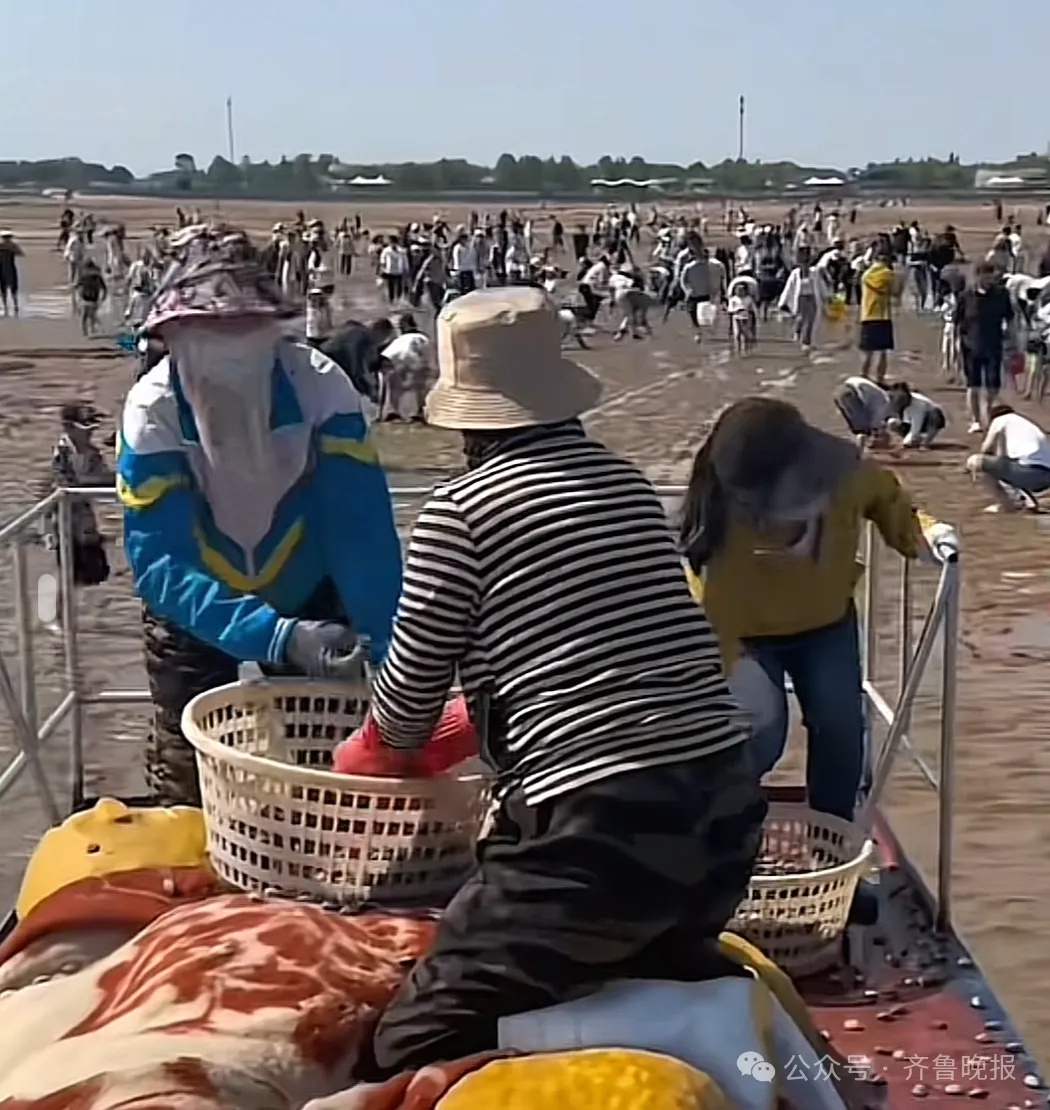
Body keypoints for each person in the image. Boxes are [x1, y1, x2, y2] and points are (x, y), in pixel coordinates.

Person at [339, 286, 765, 1078]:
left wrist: (364, 751)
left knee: (411, 1043)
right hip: (726, 815)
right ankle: (683, 998)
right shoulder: (626, 483)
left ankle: (674, 1020)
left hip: (602, 832)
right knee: (624, 946)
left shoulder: (461, 511)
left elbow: (403, 715)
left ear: (467, 417)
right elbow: (608, 655)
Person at [117, 225, 403, 806]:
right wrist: (271, 635)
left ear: (274, 329)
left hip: (311, 587)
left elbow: (360, 529)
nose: (228, 347)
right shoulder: (153, 412)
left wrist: (385, 645)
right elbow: (162, 562)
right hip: (197, 606)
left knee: (331, 765)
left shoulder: (323, 390)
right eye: (206, 329)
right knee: (187, 772)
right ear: (171, 335)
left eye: (244, 327)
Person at [678, 398, 940, 822]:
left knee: (840, 729)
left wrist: (928, 534)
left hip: (824, 625)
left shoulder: (844, 471)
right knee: (759, 728)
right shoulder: (719, 495)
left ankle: (832, 839)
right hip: (740, 635)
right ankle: (716, 827)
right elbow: (708, 597)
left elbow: (891, 503)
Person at [37, 402, 113, 632]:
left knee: (86, 570)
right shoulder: (62, 454)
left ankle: (65, 612)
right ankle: (52, 616)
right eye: (85, 426)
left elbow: (103, 478)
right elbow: (64, 486)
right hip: (61, 519)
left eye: (93, 426)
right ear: (69, 427)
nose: (91, 431)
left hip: (83, 520)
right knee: (65, 569)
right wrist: (48, 532)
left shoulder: (92, 453)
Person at [955, 262, 1014, 434]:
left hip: (994, 345)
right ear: (978, 276)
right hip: (970, 347)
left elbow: (1009, 319)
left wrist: (1012, 341)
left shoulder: (1001, 295)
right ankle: (975, 420)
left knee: (992, 385)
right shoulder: (966, 296)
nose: (990, 280)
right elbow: (956, 322)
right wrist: (954, 348)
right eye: (987, 276)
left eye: (992, 276)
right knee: (973, 385)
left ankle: (988, 417)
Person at [965, 403, 1050, 510]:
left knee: (976, 461)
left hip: (1027, 472)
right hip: (1046, 476)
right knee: (1011, 466)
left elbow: (985, 449)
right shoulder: (1024, 423)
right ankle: (1030, 502)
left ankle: (1005, 505)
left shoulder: (1000, 420)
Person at [378, 312, 433, 422]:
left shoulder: (401, 339)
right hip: (418, 360)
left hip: (398, 359)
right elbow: (429, 354)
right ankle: (420, 411)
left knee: (395, 388)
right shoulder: (423, 337)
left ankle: (393, 412)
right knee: (420, 388)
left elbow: (388, 355)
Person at [858, 247, 900, 384]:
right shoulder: (888, 274)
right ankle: (879, 381)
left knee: (867, 352)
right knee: (882, 352)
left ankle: (863, 379)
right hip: (883, 315)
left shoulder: (865, 275)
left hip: (867, 315)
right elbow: (896, 292)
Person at [778, 248, 829, 352]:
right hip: (800, 299)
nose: (805, 263)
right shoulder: (795, 273)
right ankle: (797, 331)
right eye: (803, 261)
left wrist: (827, 296)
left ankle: (806, 342)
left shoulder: (814, 272)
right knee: (800, 319)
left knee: (810, 321)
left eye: (807, 260)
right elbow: (789, 287)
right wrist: (782, 302)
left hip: (812, 298)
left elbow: (820, 285)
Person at [832, 375, 893, 443]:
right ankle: (859, 446)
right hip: (849, 390)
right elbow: (874, 424)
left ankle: (857, 443)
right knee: (863, 428)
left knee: (857, 426)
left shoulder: (884, 400)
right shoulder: (883, 408)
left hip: (846, 388)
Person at [885, 382, 947, 448]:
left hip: (930, 420)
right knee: (892, 422)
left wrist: (905, 443)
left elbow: (916, 427)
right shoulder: (893, 401)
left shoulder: (917, 405)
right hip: (911, 421)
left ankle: (925, 441)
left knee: (935, 415)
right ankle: (914, 439)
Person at [0, 230, 23, 316]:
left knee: (6, 288)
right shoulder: (12, 246)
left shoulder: (7, 246)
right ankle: (12, 305)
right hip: (9, 268)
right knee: (10, 288)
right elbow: (21, 253)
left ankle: (10, 305)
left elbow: (20, 253)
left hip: (5, 268)